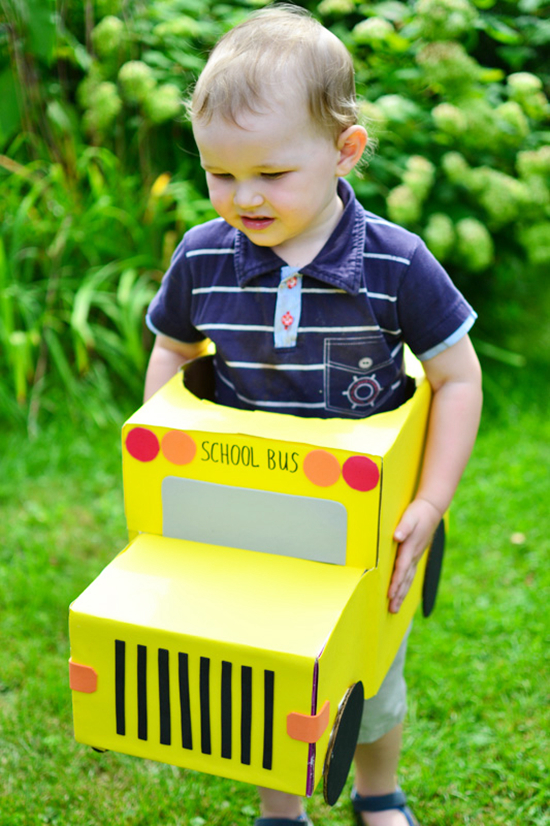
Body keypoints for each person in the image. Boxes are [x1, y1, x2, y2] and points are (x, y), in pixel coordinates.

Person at [143, 6, 483, 826]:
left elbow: (458, 379)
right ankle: (280, 810)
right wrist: (158, 460)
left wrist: (429, 503)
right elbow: (172, 353)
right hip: (251, 512)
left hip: (360, 526)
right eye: (220, 175)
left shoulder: (397, 265)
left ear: (345, 151)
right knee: (267, 672)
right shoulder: (202, 256)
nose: (243, 197)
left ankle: (378, 790)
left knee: (368, 681)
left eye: (270, 172)